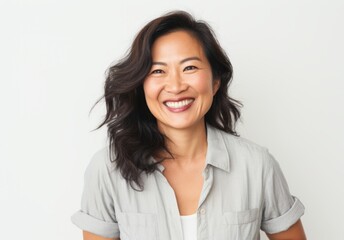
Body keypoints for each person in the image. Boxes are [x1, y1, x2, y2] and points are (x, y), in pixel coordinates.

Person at [71, 10, 306, 240]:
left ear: (215, 82)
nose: (175, 86)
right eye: (158, 71)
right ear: (141, 86)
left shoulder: (256, 165)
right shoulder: (107, 169)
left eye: (189, 68)